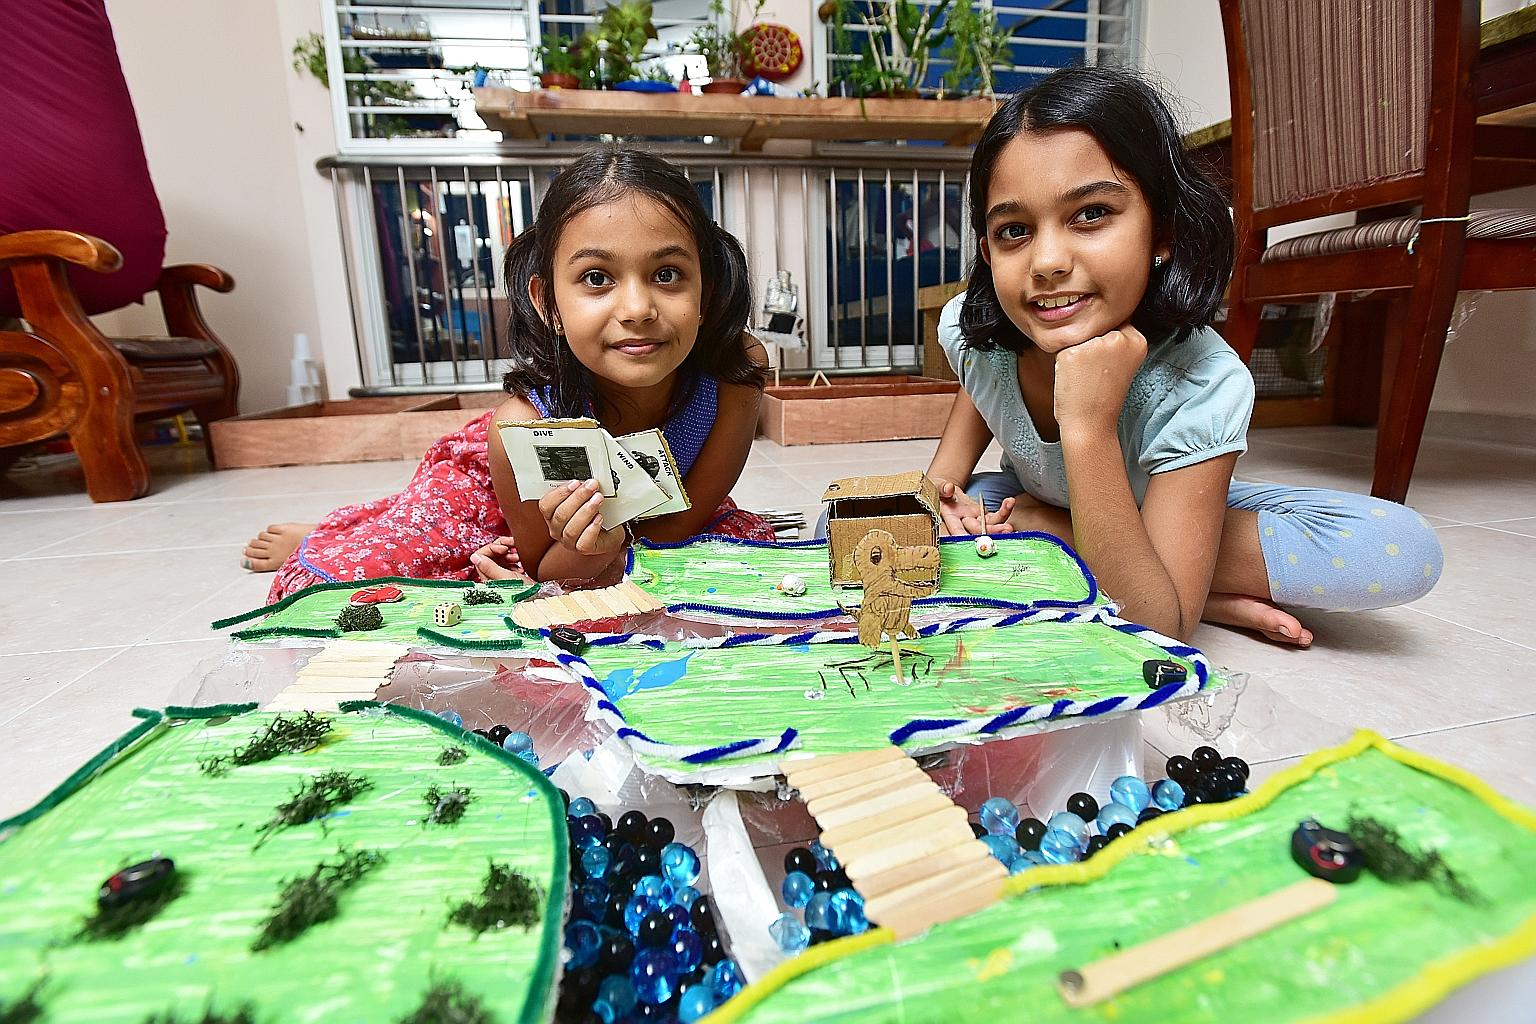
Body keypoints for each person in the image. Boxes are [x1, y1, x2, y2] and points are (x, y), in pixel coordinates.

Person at [924, 65, 1442, 647]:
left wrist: (1088, 431)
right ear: (988, 253)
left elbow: (1153, 632)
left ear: (1163, 231)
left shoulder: (1202, 380)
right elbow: (940, 484)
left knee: (1400, 550)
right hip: (1031, 498)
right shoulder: (976, 335)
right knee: (868, 527)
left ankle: (1106, 556)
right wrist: (942, 503)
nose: (1046, 261)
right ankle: (1180, 583)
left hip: (1171, 495)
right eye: (1013, 231)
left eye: (1090, 214)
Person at [245, 147, 774, 600]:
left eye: (667, 274)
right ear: (548, 302)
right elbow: (545, 564)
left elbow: (680, 526)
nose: (637, 308)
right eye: (596, 278)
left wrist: (602, 542)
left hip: (636, 518)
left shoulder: (736, 372)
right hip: (486, 481)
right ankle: (332, 532)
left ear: (706, 290)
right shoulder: (521, 425)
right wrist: (581, 549)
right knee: (392, 553)